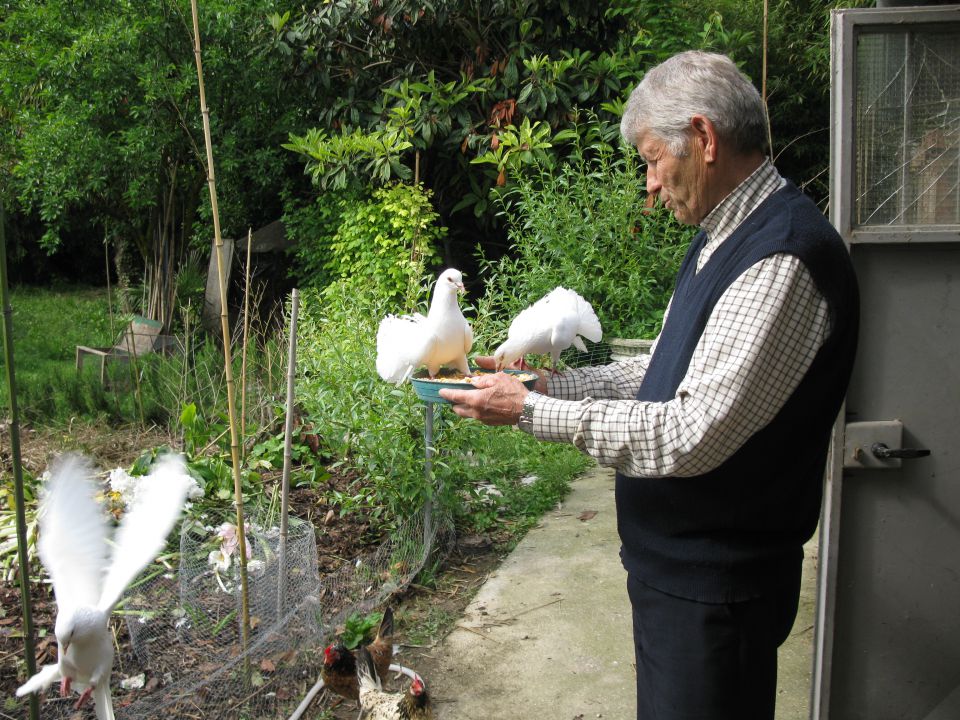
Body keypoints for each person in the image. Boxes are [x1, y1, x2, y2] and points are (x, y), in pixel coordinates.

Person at [439, 50, 859, 720]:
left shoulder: (781, 258)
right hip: (680, 580)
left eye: (652, 158)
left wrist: (529, 411)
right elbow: (662, 371)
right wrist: (553, 384)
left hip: (717, 591)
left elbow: (688, 433)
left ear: (705, 139)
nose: (650, 185)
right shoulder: (723, 236)